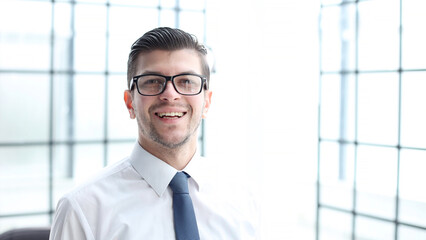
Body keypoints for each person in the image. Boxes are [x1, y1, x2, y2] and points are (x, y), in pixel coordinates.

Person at [49, 27, 258, 240]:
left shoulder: (242, 200)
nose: (170, 94)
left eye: (186, 81)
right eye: (152, 81)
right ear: (130, 102)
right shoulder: (83, 210)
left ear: (207, 102)